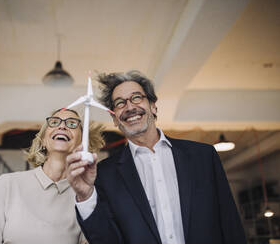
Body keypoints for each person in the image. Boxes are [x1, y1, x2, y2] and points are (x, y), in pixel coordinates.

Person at [66, 71, 246, 244]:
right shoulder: (104, 174)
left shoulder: (203, 157)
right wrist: (85, 196)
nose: (129, 107)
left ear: (153, 106)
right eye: (120, 103)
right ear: (114, 119)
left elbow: (230, 224)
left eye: (136, 97)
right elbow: (107, 240)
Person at [0, 108, 104, 244]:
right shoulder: (7, 184)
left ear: (82, 143)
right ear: (42, 140)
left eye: (72, 124)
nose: (62, 126)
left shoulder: (85, 198)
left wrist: (86, 198)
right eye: (54, 122)